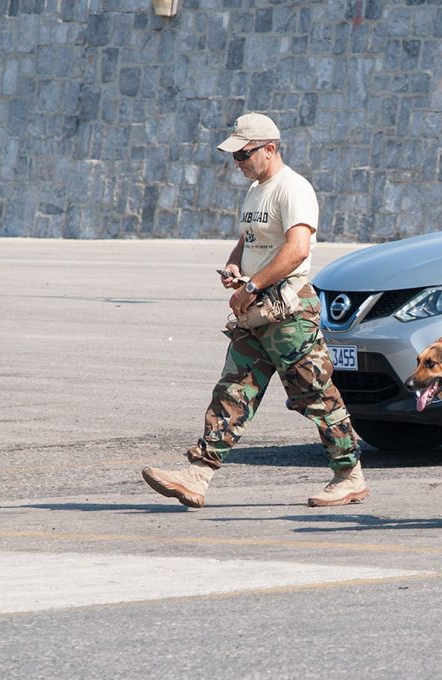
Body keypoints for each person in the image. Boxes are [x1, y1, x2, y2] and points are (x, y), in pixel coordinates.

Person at [142, 112, 369, 508]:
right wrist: (236, 267)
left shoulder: (292, 188)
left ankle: (349, 475)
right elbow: (247, 241)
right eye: (234, 156)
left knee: (315, 396)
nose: (238, 163)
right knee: (232, 392)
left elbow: (297, 249)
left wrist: (252, 285)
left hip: (289, 315)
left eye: (244, 154)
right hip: (256, 313)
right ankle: (197, 476)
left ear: (270, 148)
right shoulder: (256, 190)